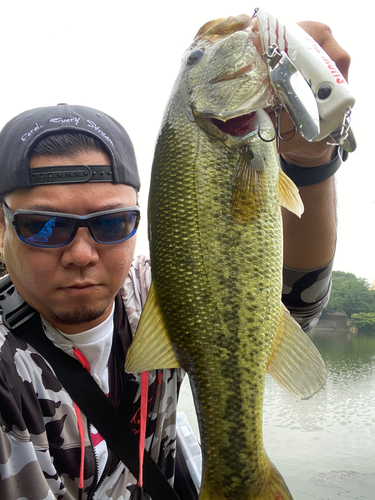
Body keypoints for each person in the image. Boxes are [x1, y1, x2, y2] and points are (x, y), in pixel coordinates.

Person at [0, 20, 350, 500]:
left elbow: (300, 304)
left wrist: (311, 160)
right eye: (43, 226)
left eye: (111, 224)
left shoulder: (152, 289)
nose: (81, 255)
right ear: (2, 230)